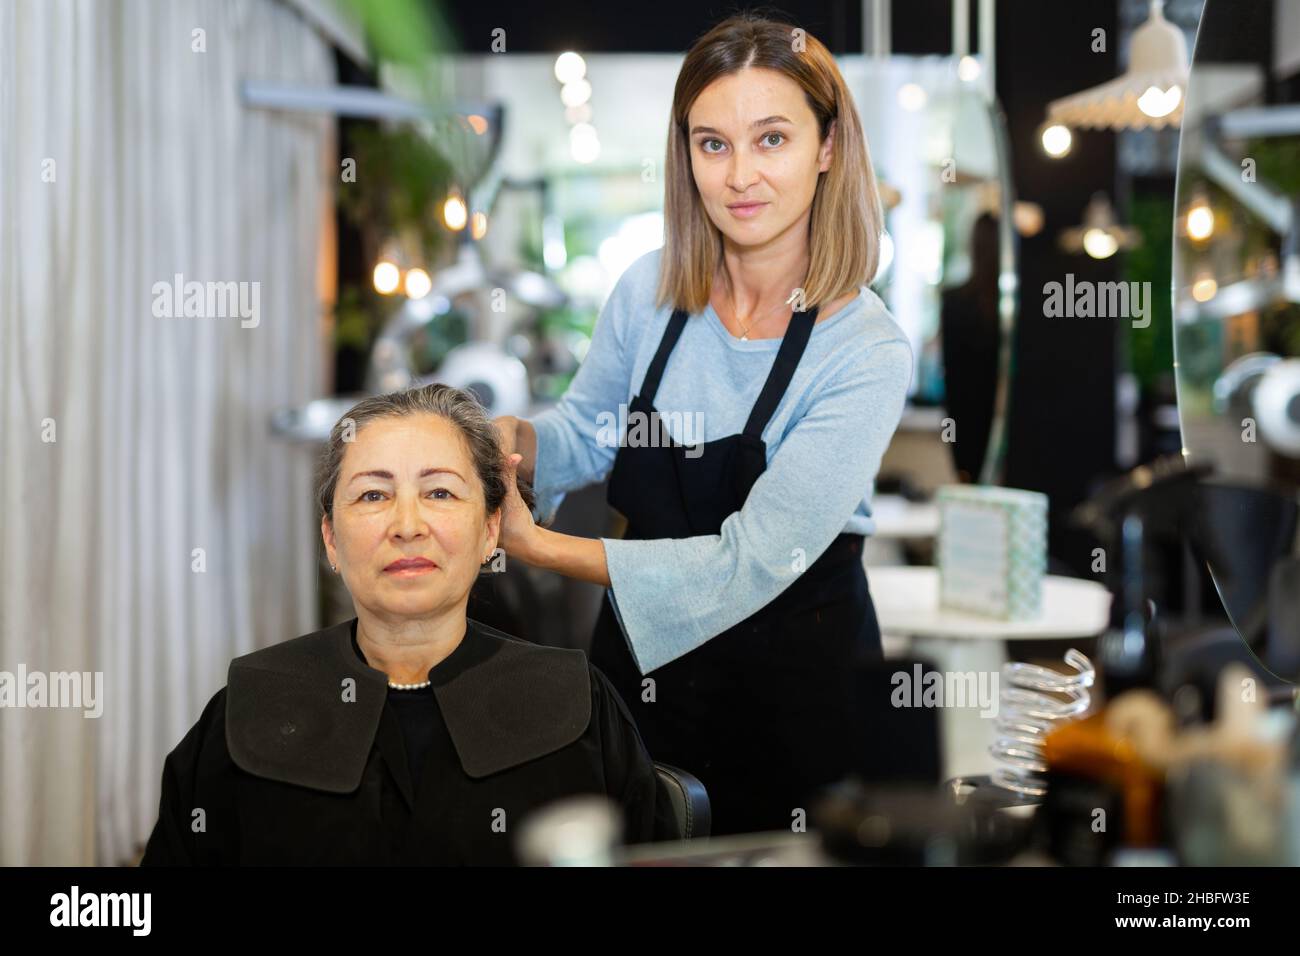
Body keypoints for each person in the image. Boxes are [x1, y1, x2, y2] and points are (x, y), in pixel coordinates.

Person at [492, 13, 914, 835]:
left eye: (772, 139)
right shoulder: (649, 288)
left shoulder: (864, 350)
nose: (739, 176)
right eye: (712, 144)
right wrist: (516, 443)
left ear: (828, 146)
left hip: (791, 697)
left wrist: (535, 545)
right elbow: (589, 429)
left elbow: (750, 562)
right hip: (641, 676)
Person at [141, 383, 662, 865]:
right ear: (330, 540)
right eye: (373, 495)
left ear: (490, 530)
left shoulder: (574, 703)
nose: (407, 526)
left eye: (439, 493)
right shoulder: (251, 705)